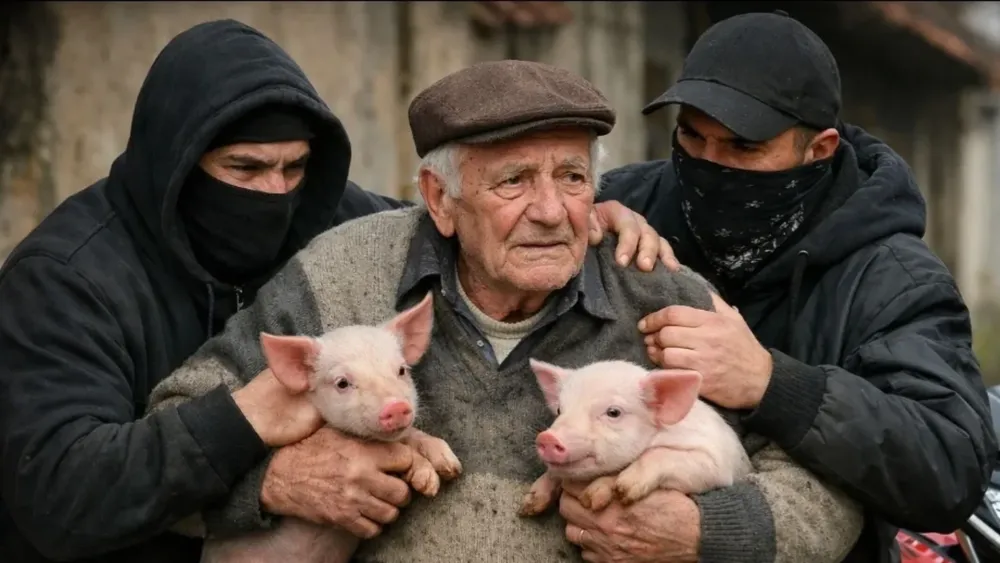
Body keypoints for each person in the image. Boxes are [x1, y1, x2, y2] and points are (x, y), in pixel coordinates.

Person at [0, 20, 669, 563]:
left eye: (294, 166)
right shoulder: (66, 278)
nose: (273, 191)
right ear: (174, 163)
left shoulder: (327, 216)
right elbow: (59, 492)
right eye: (245, 168)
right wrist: (262, 465)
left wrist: (601, 213)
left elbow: (466, 217)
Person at [146, 59, 864, 563]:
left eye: (574, 177)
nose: (552, 212)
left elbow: (829, 487)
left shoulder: (657, 292)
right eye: (515, 180)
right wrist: (273, 483)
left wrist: (704, 531)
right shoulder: (345, 275)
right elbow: (165, 443)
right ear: (439, 199)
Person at [592, 10, 998, 562]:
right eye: (691, 135)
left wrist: (773, 384)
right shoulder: (624, 210)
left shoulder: (890, 280)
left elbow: (949, 466)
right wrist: (577, 228)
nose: (710, 165)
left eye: (742, 147)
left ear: (820, 149)